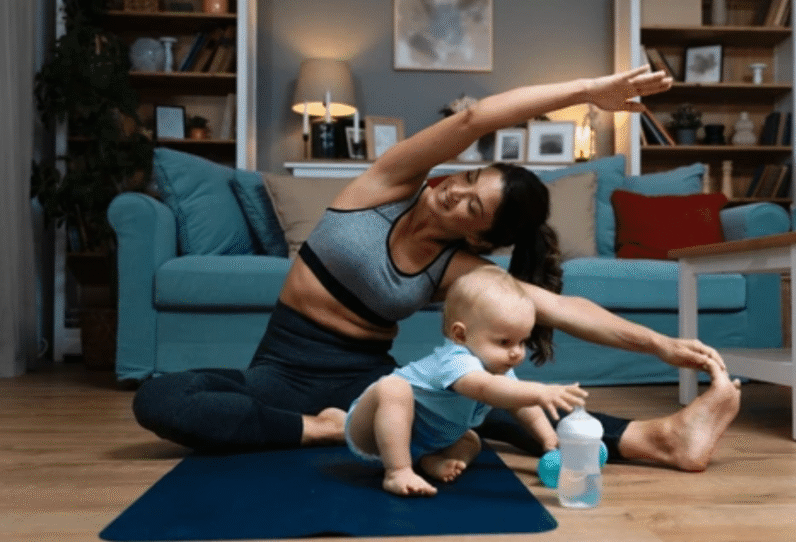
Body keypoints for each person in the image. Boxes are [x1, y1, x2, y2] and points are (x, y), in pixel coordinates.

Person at [132, 65, 741, 472]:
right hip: (278, 372)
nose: (455, 190)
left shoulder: (458, 268)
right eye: (469, 178)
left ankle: (657, 439)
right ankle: (322, 430)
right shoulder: (384, 186)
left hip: (368, 384)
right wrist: (586, 91)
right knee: (160, 400)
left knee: (490, 403)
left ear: (480, 235)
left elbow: (560, 307)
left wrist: (663, 345)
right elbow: (475, 121)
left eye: (472, 205)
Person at [346, 265, 588, 496]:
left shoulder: (499, 369)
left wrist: (548, 438)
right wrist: (540, 391)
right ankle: (398, 472)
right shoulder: (456, 359)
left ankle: (431, 461)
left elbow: (524, 407)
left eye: (522, 341)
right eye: (504, 342)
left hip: (426, 442)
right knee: (393, 387)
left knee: (470, 441)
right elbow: (485, 388)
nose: (516, 352)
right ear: (460, 335)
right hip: (372, 433)